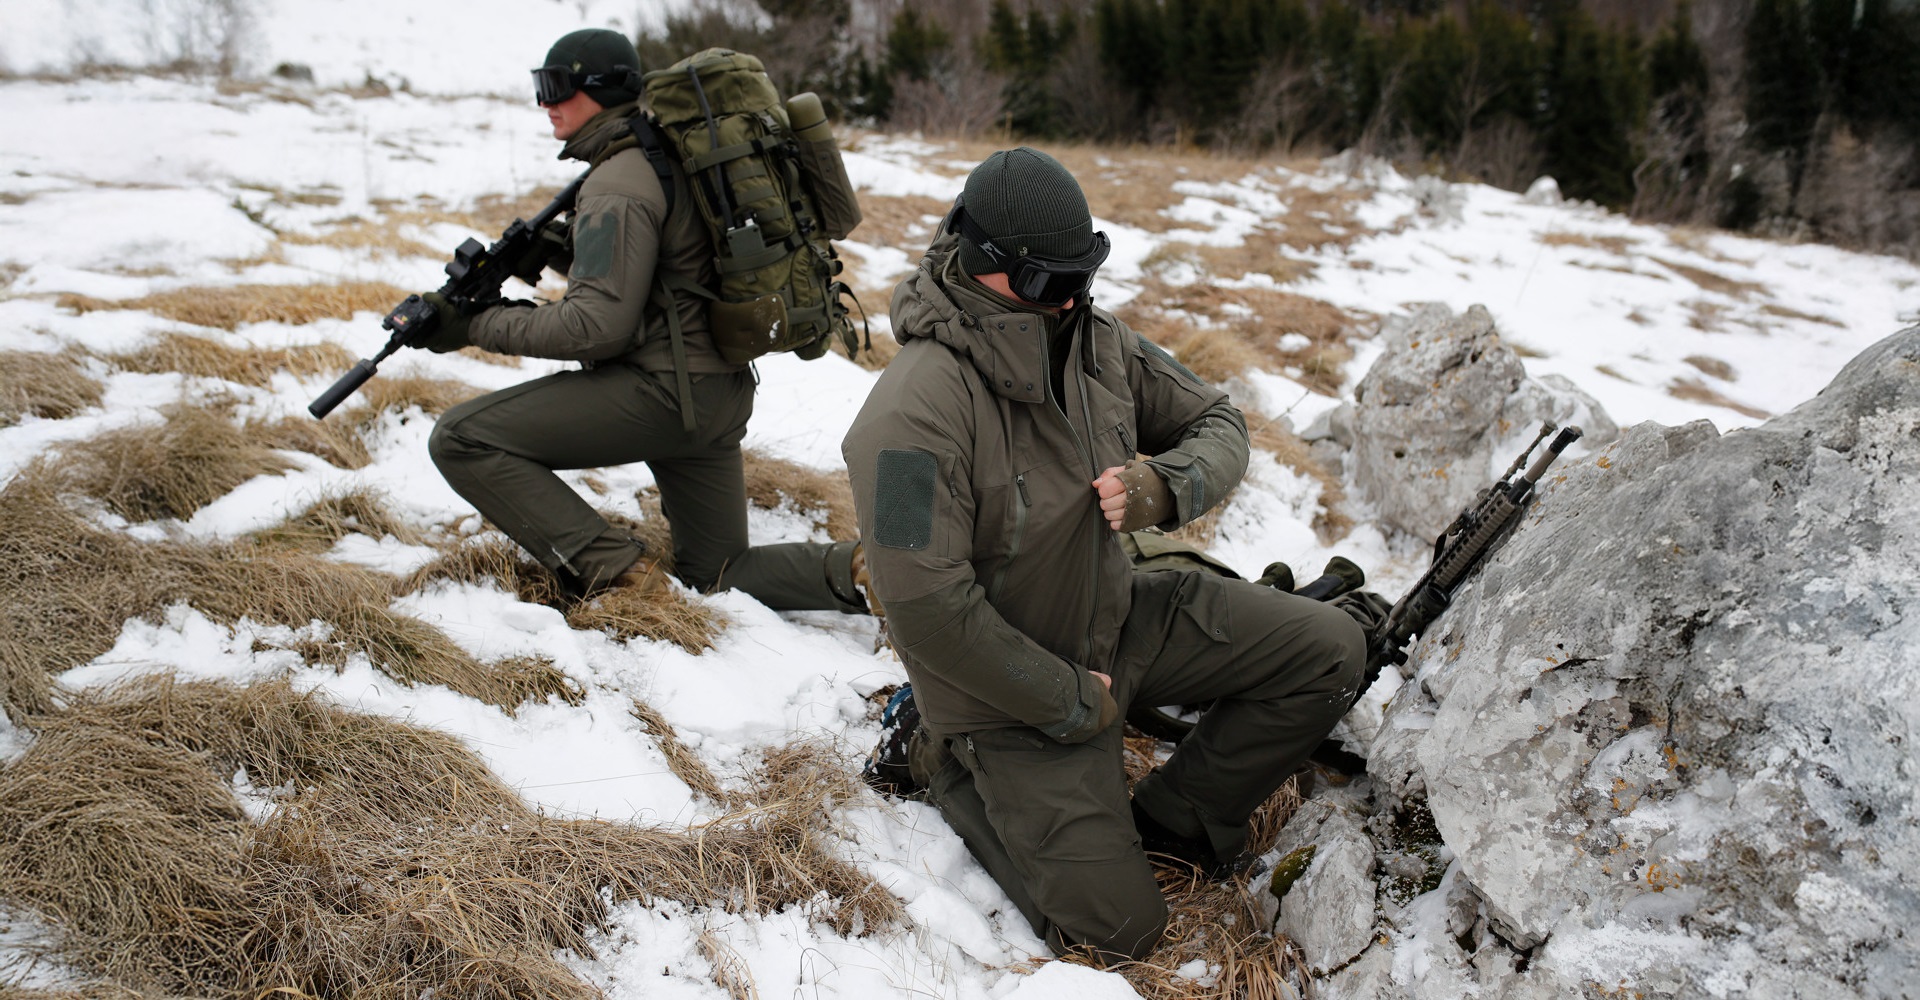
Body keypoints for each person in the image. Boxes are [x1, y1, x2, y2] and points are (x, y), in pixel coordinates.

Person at [841, 148, 1367, 962]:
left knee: (1330, 650)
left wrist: (1166, 488)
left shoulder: (1096, 343)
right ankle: (938, 757)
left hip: (1120, 619)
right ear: (984, 264)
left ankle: (1172, 820)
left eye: (1082, 275)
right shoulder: (908, 417)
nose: (1071, 300)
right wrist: (1071, 702)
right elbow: (927, 612)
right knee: (1120, 934)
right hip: (1006, 692)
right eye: (1050, 283)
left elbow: (1221, 423)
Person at [416, 28, 869, 614]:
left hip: (661, 397)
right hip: (717, 391)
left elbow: (593, 328)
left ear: (599, 90)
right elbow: (672, 268)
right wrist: (565, 253)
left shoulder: (616, 181)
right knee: (718, 572)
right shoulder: (671, 155)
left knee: (461, 438)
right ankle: (864, 572)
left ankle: (619, 572)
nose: (545, 103)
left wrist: (475, 325)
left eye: (555, 87)